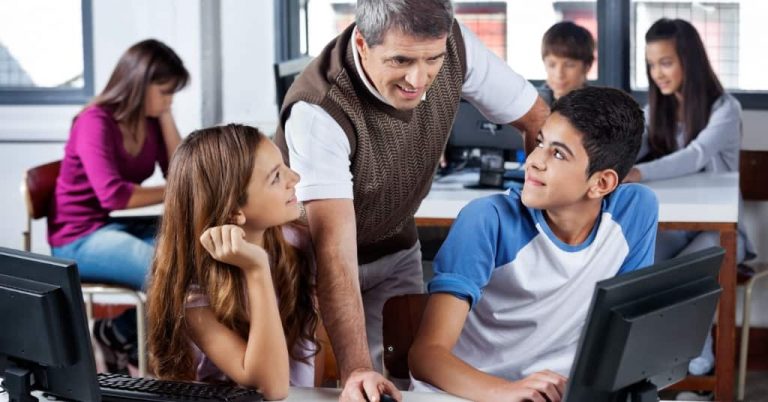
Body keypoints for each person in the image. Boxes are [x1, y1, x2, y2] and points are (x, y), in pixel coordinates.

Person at [273, 1, 549, 399]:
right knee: (309, 389)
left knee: (406, 383)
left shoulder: (455, 44)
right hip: (309, 261)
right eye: (400, 60)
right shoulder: (319, 110)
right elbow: (335, 251)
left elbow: (535, 117)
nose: (418, 80)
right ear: (363, 43)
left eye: (432, 59)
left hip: (395, 245)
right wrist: (356, 371)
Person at [408, 87, 658, 402]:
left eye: (558, 153)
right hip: (466, 393)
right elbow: (426, 355)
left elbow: (625, 332)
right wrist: (507, 392)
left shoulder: (635, 211)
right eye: (540, 143)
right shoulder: (487, 220)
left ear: (602, 183)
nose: (533, 161)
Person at [146, 124, 321, 400]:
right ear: (233, 211)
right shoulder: (196, 293)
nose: (295, 177)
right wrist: (256, 269)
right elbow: (271, 387)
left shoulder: (296, 242)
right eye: (276, 177)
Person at [47, 39, 189, 372]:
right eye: (165, 92)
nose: (169, 100)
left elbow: (180, 170)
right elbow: (113, 195)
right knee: (163, 271)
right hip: (77, 238)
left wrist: (165, 114)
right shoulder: (94, 122)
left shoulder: (151, 118)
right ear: (139, 84)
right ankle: (144, 351)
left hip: (110, 226)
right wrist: (172, 191)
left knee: (191, 251)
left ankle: (115, 332)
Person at [623, 18, 754, 378]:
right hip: (682, 227)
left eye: (666, 62)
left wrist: (640, 173)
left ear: (689, 62)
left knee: (687, 272)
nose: (657, 73)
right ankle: (651, 361)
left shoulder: (725, 108)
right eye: (651, 65)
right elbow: (634, 148)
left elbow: (695, 156)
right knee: (639, 262)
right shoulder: (656, 111)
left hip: (725, 232)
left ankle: (696, 357)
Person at [537, 21, 594, 106]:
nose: (559, 74)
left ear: (587, 66)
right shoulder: (530, 107)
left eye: (569, 65)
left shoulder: (600, 108)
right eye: (552, 65)